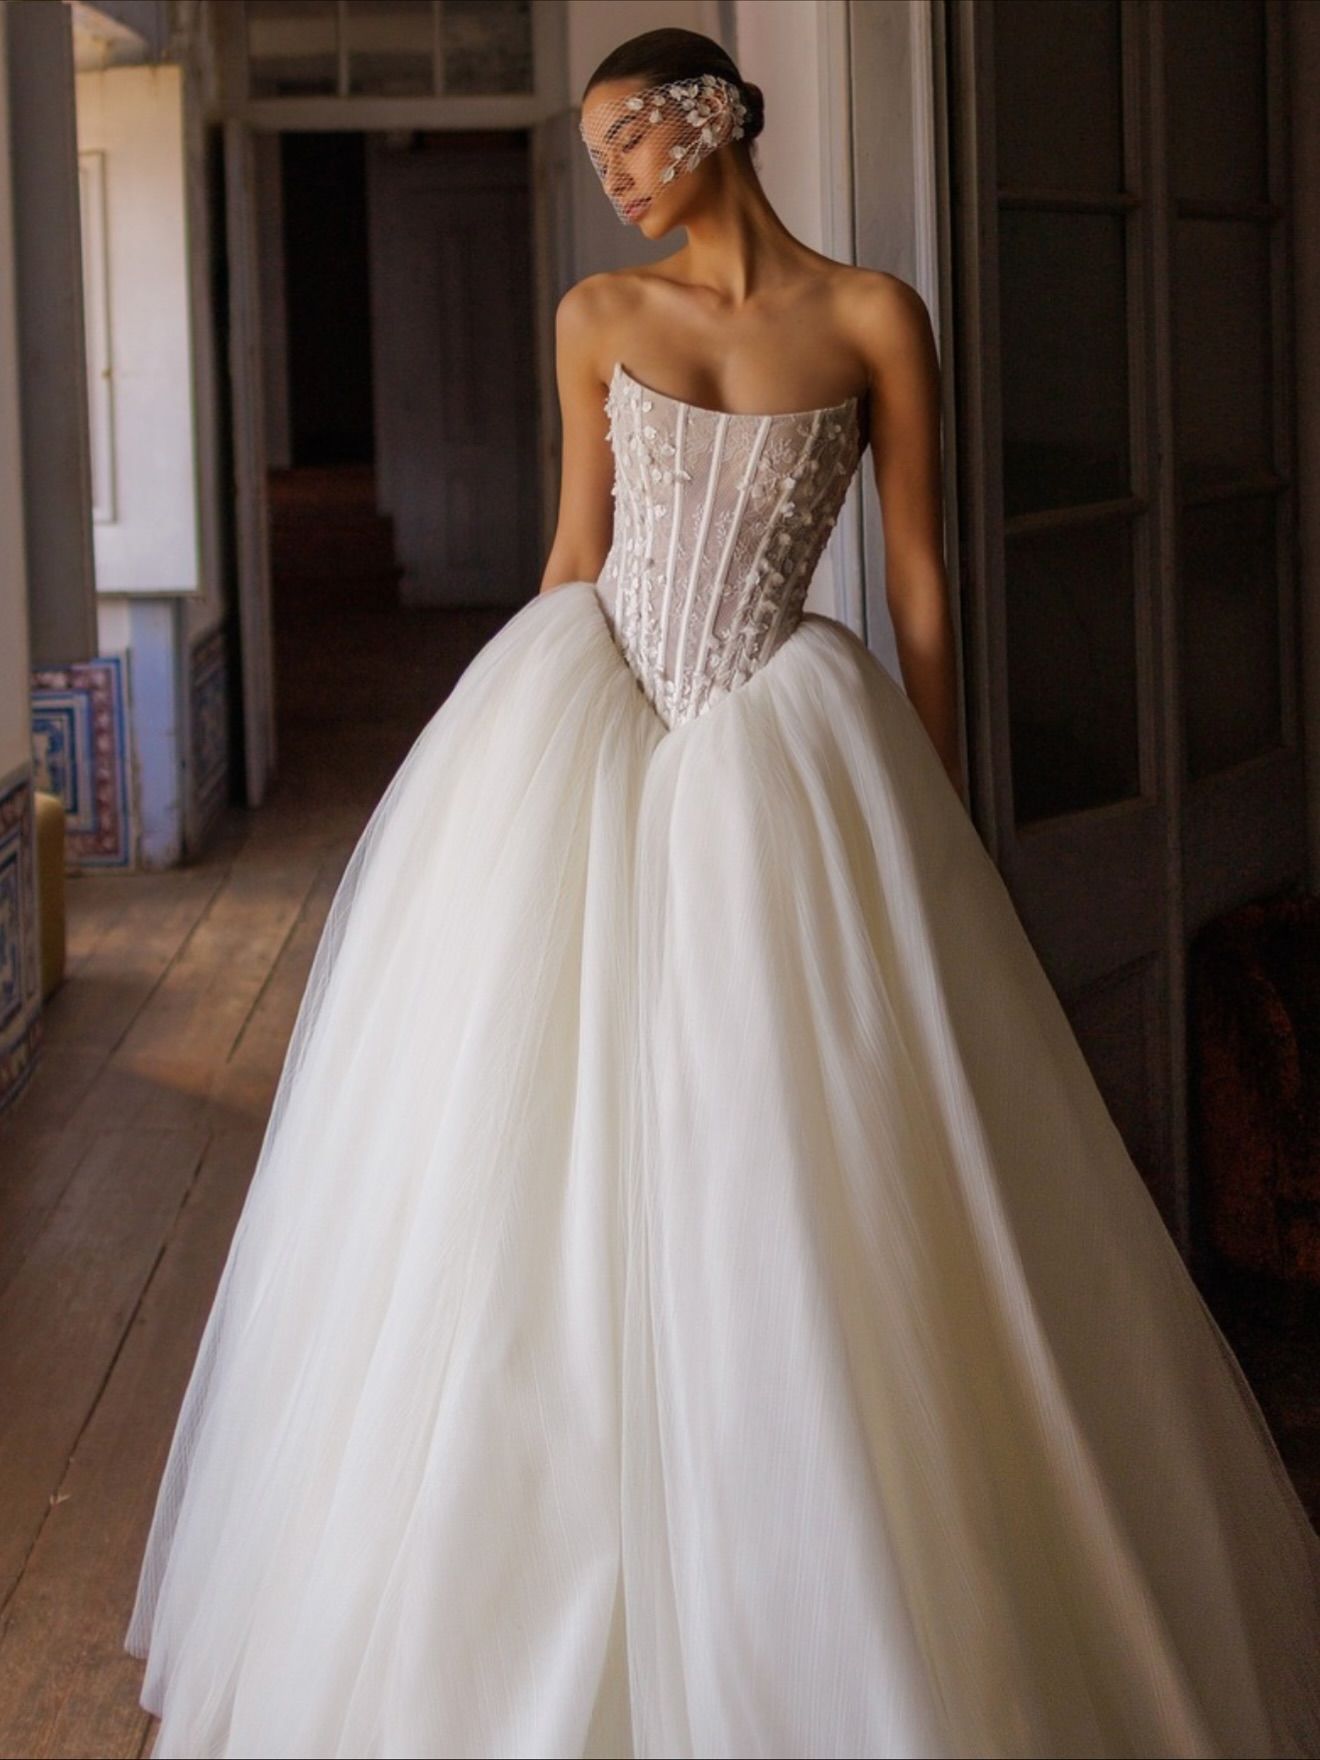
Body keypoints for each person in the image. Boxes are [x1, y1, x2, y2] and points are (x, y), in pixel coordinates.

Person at [125, 27, 1320, 1759]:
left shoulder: (873, 318)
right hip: (595, 728)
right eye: (596, 150)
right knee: (528, 1158)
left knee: (794, 1157)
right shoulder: (599, 320)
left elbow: (920, 583)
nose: (610, 176)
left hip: (788, 754)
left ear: (712, 121)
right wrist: (500, 744)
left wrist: (940, 816)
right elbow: (574, 549)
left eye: (630, 138)